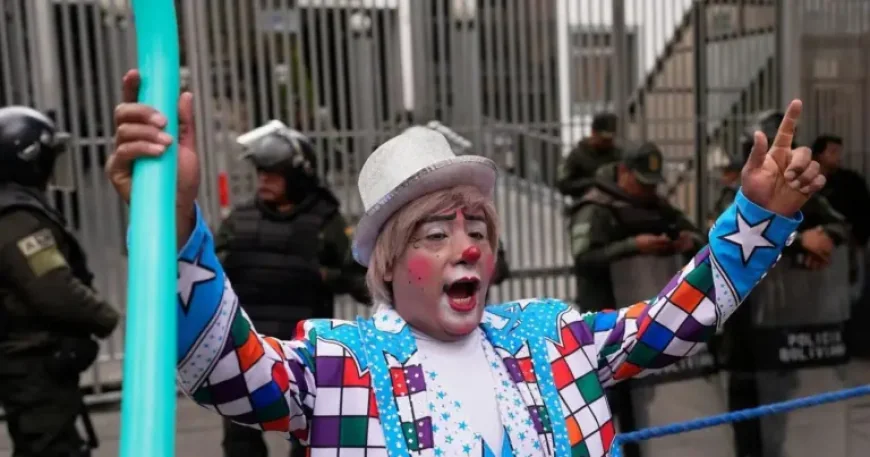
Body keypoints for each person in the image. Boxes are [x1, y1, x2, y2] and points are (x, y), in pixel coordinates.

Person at [108, 68, 823, 457]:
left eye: (477, 224)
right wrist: (170, 225)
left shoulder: (552, 337)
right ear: (386, 266)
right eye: (435, 233)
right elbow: (224, 371)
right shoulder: (338, 364)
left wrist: (758, 218)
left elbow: (677, 321)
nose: (469, 245)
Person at [213, 120, 370, 457]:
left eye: (274, 173)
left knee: (310, 442)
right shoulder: (238, 221)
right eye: (261, 173)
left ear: (296, 176)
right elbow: (211, 275)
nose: (264, 180)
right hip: (246, 350)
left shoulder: (326, 222)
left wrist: (325, 277)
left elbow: (362, 281)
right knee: (241, 443)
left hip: (304, 357)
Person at [567, 141, 707, 457]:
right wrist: (633, 246)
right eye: (641, 182)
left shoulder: (655, 204)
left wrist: (684, 242)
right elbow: (584, 258)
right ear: (623, 172)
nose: (647, 191)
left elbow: (697, 236)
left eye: (652, 184)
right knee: (610, 406)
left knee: (647, 406)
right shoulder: (596, 207)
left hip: (648, 321)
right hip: (607, 325)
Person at [0, 106, 120, 457]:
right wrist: (106, 317)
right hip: (33, 362)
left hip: (29, 359)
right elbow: (53, 288)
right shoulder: (17, 218)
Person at [557, 112, 623, 198]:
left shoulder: (618, 155)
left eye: (611, 139)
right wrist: (592, 183)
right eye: (604, 139)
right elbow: (563, 185)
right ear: (593, 133)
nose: (608, 143)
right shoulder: (576, 155)